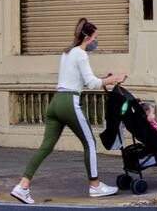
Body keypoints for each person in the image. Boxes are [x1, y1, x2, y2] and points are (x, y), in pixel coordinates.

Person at [10, 18, 128, 204]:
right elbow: (92, 84)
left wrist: (103, 78)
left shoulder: (67, 53)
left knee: (46, 146)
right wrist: (114, 79)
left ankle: (22, 186)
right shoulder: (81, 54)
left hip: (55, 103)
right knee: (89, 143)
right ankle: (95, 186)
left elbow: (75, 79)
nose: (97, 41)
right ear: (87, 37)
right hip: (69, 103)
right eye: (96, 37)